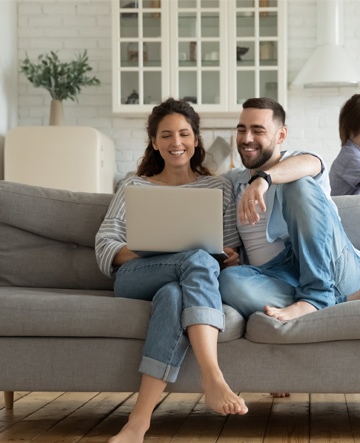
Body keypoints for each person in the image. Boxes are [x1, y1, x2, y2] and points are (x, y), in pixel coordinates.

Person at [95, 98, 248, 443]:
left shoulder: (218, 187)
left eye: (183, 134)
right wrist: (154, 247)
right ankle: (212, 375)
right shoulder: (134, 187)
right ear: (154, 142)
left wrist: (230, 255)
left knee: (173, 294)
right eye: (166, 135)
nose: (176, 142)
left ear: (196, 139)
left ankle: (138, 422)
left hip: (184, 282)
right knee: (195, 258)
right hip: (136, 275)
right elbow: (105, 243)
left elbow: (231, 245)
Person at [218, 97, 360, 322]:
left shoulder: (300, 161)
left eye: (257, 130)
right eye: (242, 130)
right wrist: (229, 255)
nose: (247, 138)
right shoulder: (232, 181)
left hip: (334, 266)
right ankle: (337, 301)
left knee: (298, 182)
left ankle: (316, 295)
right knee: (228, 281)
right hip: (278, 275)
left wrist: (264, 179)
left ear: (281, 135)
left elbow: (309, 164)